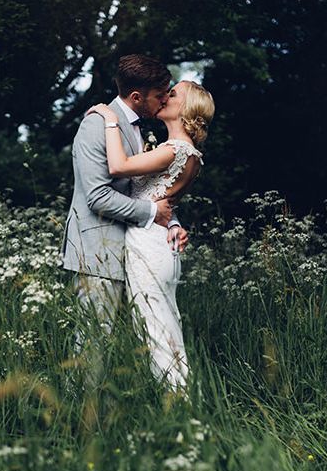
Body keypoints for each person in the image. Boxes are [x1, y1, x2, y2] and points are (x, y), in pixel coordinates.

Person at [60, 54, 188, 418]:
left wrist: (172, 222)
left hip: (134, 250)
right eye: (160, 95)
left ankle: (122, 413)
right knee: (93, 341)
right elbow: (97, 196)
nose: (165, 100)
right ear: (136, 96)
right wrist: (153, 214)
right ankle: (76, 419)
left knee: (131, 339)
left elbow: (143, 189)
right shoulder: (95, 126)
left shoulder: (135, 128)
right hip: (97, 248)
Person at [86, 79, 215, 399]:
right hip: (160, 241)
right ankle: (182, 404)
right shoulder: (187, 153)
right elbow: (162, 201)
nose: (165, 95)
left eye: (173, 94)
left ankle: (182, 409)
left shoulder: (175, 150)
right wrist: (174, 223)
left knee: (157, 329)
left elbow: (118, 166)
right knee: (162, 325)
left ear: (185, 109)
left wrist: (109, 119)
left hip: (149, 245)